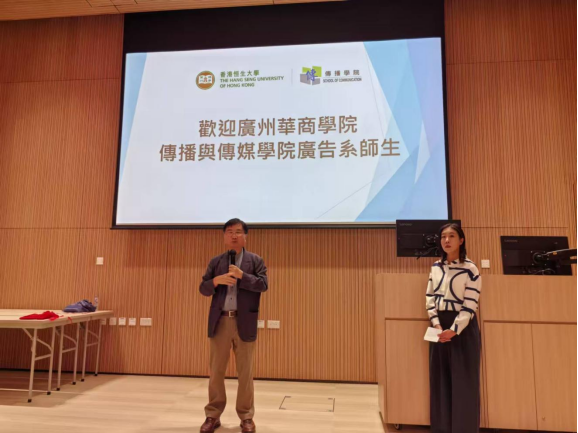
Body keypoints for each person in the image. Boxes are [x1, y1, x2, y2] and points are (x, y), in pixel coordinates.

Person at [199, 218, 268, 433]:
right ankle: (213, 415)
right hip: (220, 321)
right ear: (224, 236)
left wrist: (242, 276)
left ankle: (246, 417)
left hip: (244, 321)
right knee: (216, 371)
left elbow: (263, 284)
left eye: (238, 232)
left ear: (245, 236)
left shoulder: (255, 260)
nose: (234, 235)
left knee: (245, 373)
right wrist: (216, 281)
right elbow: (203, 288)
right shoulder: (216, 262)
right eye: (229, 232)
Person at [426, 223, 482, 433]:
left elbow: (470, 304)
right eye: (443, 236)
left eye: (451, 236)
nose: (446, 240)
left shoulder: (471, 268)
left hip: (463, 329)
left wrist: (454, 329)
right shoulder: (435, 267)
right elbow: (430, 298)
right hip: (438, 326)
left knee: (464, 382)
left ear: (461, 240)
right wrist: (437, 324)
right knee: (439, 381)